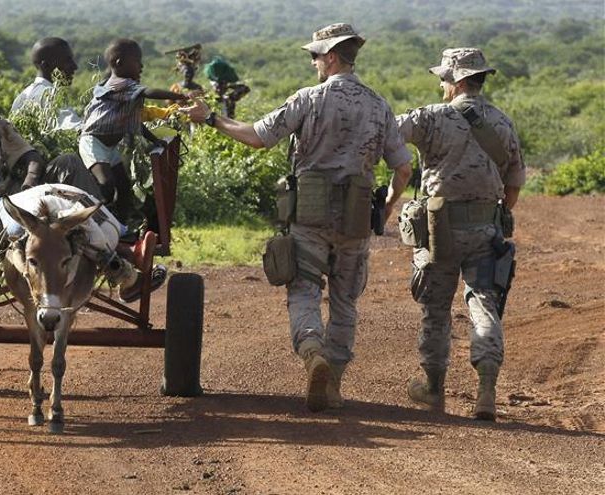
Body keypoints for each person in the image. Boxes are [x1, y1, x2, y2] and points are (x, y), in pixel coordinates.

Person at [181, 23, 412, 412]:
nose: (313, 63)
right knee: (345, 301)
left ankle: (311, 353)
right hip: (356, 217)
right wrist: (386, 207)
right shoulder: (379, 105)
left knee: (304, 290)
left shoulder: (308, 99)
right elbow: (403, 169)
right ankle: (333, 382)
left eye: (315, 56)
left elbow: (256, 136)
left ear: (332, 57)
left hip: (309, 213)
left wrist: (210, 119)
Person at [0, 59, 158, 303]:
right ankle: (118, 266)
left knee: (68, 163)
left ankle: (109, 233)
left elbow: (31, 156)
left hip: (13, 199)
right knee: (47, 223)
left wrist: (30, 182)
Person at [385, 48, 525, 421]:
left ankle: (433, 390)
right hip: (486, 229)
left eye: (444, 78)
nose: (440, 84)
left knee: (435, 309)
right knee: (484, 304)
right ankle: (487, 391)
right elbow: (513, 189)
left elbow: (386, 136)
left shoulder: (429, 117)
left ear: (458, 80)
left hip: (439, 230)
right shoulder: (503, 122)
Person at [79, 38, 188, 223]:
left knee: (124, 187)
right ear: (119, 63)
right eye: (137, 61)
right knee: (106, 184)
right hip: (93, 142)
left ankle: (120, 226)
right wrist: (178, 96)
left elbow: (136, 124)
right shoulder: (118, 83)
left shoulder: (129, 94)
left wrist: (155, 140)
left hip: (110, 148)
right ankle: (91, 220)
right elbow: (149, 92)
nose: (142, 66)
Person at [9, 37, 83, 131]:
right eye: (67, 61)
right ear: (46, 66)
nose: (75, 66)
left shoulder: (20, 98)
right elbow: (75, 128)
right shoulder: (50, 95)